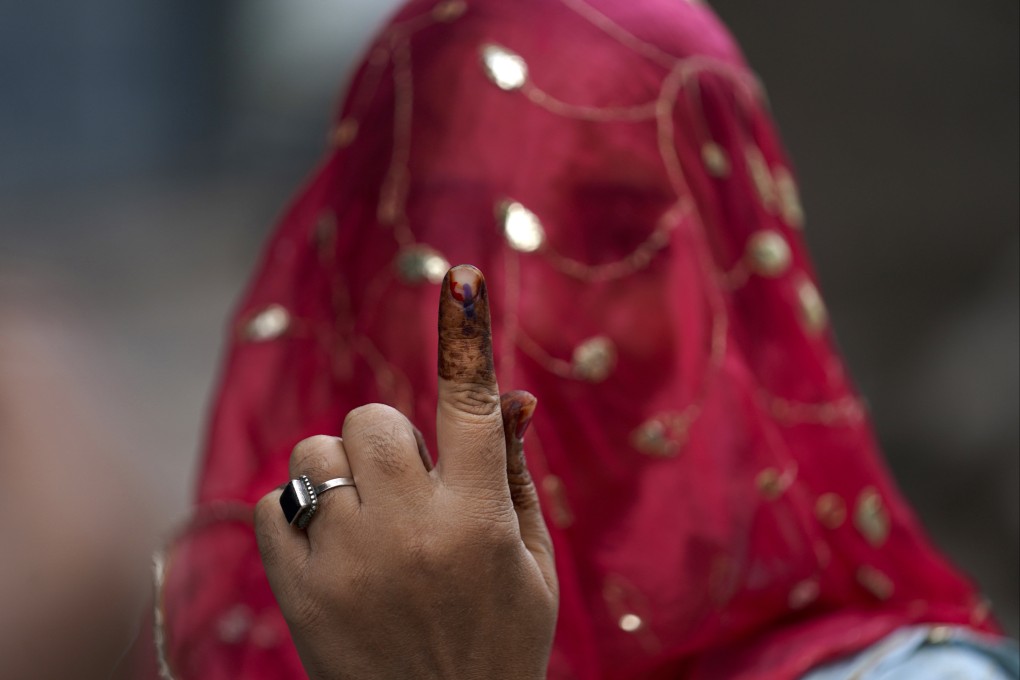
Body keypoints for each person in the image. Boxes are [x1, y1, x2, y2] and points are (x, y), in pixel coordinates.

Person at [129, 0, 1019, 677]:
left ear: (738, 282)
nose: (529, 308)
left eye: (612, 238)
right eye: (446, 231)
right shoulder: (258, 643)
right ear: (349, 277)